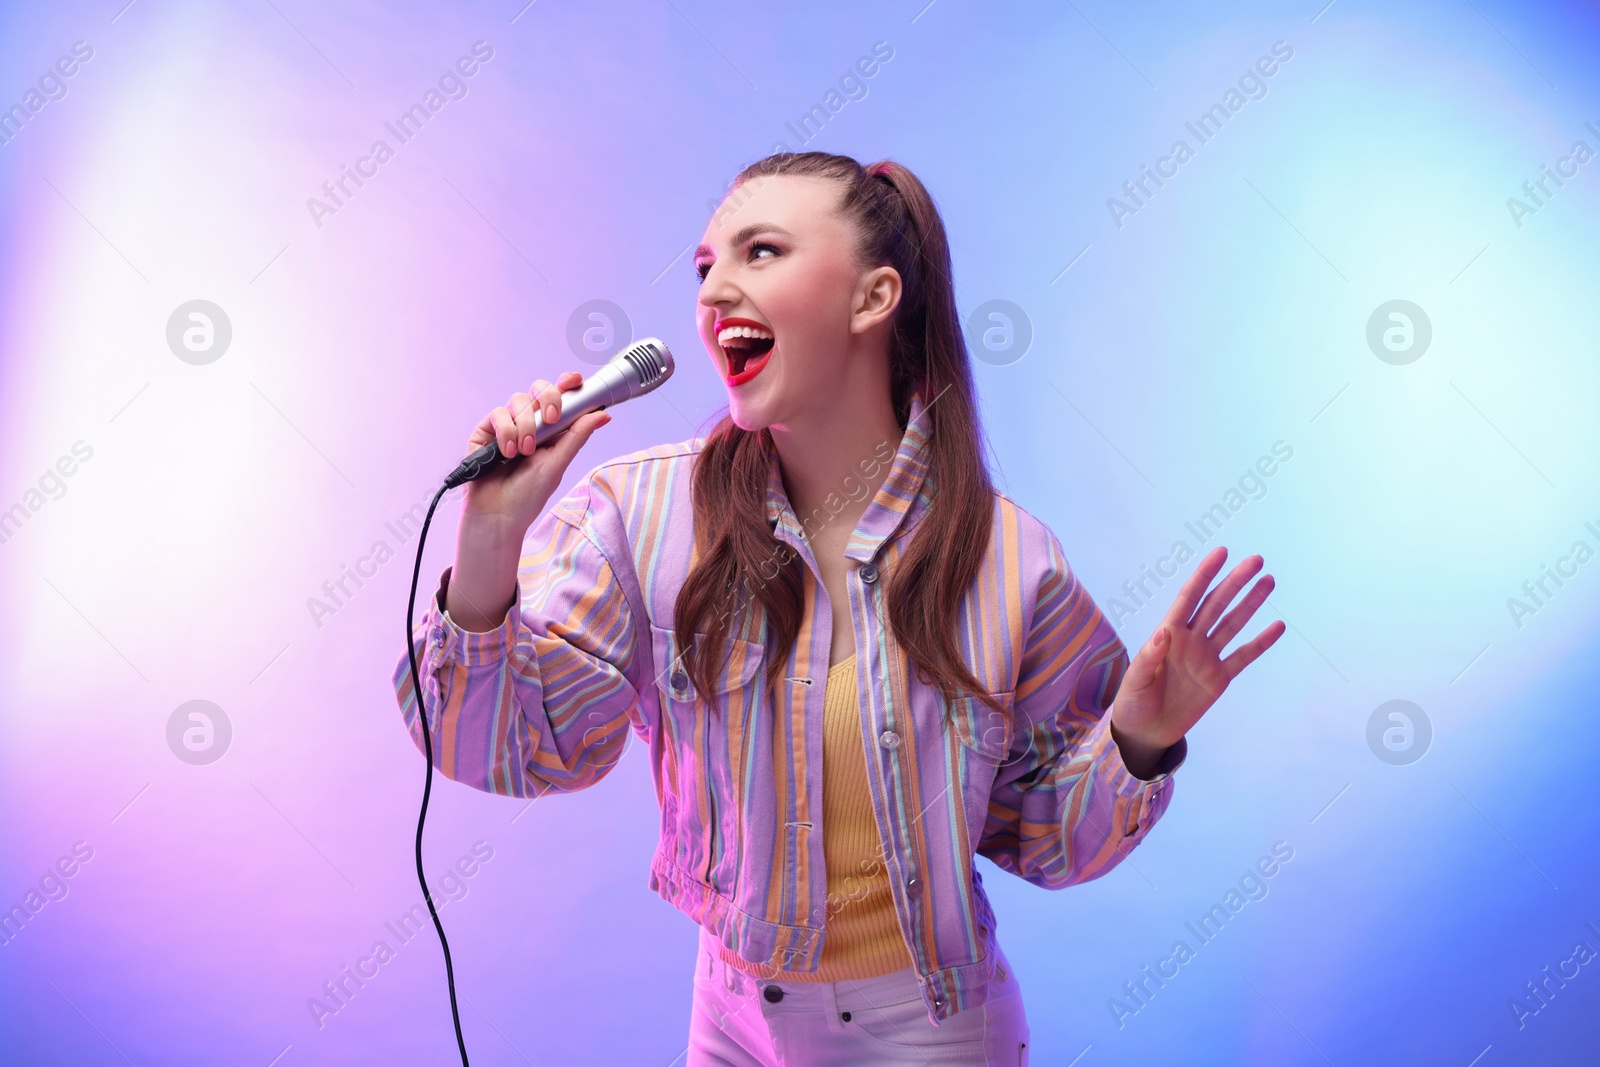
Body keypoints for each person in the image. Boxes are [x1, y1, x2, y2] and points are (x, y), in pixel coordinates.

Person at [393, 150, 1284, 1065]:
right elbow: (507, 747)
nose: (714, 292)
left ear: (873, 298)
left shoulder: (1011, 559)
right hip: (731, 1018)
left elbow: (1048, 841)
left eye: (762, 252)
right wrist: (490, 540)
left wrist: (1138, 739)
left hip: (932, 1032)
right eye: (706, 268)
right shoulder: (637, 517)